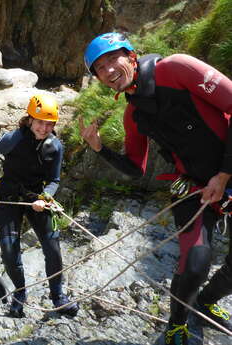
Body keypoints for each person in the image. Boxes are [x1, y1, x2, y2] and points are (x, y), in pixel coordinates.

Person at [80, 32, 232, 344]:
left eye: (112, 59)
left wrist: (225, 175)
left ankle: (205, 303)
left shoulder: (177, 69)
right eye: (99, 68)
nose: (107, 70)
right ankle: (176, 324)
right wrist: (98, 149)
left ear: (131, 55)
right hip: (192, 186)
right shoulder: (133, 114)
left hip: (228, 174)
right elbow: (136, 168)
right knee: (195, 264)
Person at [0, 94, 79, 318]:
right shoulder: (12, 139)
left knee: (53, 249)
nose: (44, 128)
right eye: (40, 122)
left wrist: (45, 197)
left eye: (49, 123)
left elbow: (55, 180)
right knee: (9, 250)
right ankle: (20, 294)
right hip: (9, 197)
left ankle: (58, 296)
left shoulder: (55, 146)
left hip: (36, 198)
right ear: (30, 120)